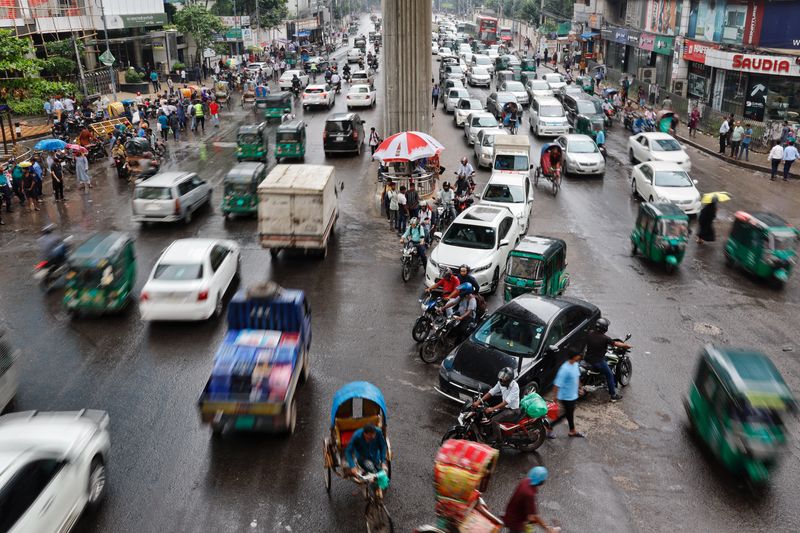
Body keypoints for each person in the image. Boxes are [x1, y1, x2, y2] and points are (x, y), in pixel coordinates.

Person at [584, 318, 630, 401]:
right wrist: (625, 345)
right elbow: (616, 344)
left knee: (606, 360)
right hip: (597, 361)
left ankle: (602, 379)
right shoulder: (605, 338)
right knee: (610, 374)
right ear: (604, 329)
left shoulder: (590, 333)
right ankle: (613, 395)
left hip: (587, 358)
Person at [503, 467, 559, 533]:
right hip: (516, 523)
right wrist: (548, 528)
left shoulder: (525, 481)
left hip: (510, 515)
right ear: (541, 482)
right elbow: (533, 517)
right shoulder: (529, 494)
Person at [474, 367, 520, 444]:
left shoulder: (515, 387)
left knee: (494, 419)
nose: (501, 379)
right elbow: (492, 392)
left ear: (509, 379)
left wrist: (492, 408)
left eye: (504, 378)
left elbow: (506, 402)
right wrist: (479, 401)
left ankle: (498, 440)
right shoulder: (500, 383)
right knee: (488, 414)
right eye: (501, 376)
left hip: (513, 410)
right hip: (505, 408)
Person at [548, 353, 584, 438]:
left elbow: (577, 377)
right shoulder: (564, 369)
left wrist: (580, 388)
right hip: (566, 396)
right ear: (574, 356)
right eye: (578, 356)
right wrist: (555, 397)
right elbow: (557, 384)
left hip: (573, 395)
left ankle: (572, 430)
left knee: (569, 413)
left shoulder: (575, 364)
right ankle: (549, 426)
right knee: (567, 413)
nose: (580, 358)